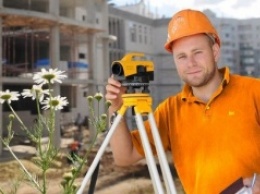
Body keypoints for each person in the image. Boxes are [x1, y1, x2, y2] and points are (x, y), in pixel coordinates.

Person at [105, 9, 260, 194]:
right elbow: (124, 157)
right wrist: (115, 109)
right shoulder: (170, 111)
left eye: (198, 52)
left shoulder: (254, 92)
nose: (190, 63)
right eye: (182, 56)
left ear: (215, 51)